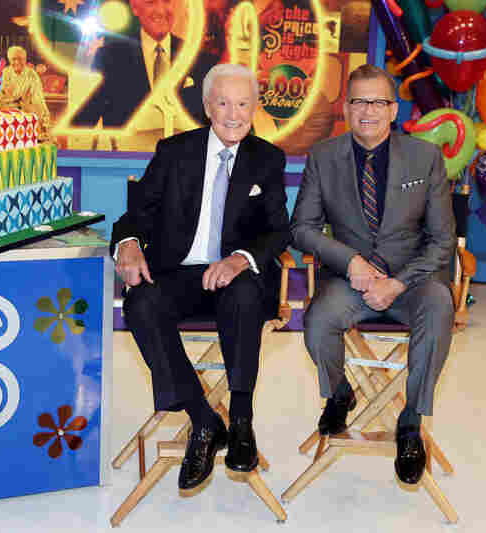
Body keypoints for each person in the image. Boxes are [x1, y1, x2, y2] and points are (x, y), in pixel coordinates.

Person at [111, 63, 290, 491]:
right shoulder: (174, 152)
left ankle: (242, 422)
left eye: (243, 103)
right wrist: (129, 244)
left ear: (256, 107)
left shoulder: (267, 159)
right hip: (179, 274)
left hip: (235, 278)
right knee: (141, 302)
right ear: (208, 107)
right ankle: (205, 420)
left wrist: (240, 259)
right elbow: (133, 218)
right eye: (224, 103)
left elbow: (279, 229)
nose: (234, 113)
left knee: (245, 295)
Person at [290, 64, 455, 485]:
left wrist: (398, 282)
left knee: (440, 306)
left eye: (378, 101)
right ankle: (340, 392)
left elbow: (441, 240)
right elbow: (302, 228)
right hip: (350, 281)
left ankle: (411, 424)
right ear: (346, 107)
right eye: (359, 101)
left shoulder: (426, 157)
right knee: (318, 320)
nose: (368, 110)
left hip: (412, 282)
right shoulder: (323, 158)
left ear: (393, 109)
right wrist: (351, 263)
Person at [72, 0, 217, 128]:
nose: (161, 11)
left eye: (167, 1)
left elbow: (214, 127)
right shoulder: (109, 57)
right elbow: (83, 123)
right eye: (151, 2)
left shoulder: (199, 60)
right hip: (129, 157)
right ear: (135, 7)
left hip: (183, 157)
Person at [0, 45, 53, 141]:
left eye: (20, 59)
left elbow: (38, 99)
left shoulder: (32, 75)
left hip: (25, 110)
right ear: (9, 60)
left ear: (25, 60)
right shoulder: (4, 73)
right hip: (5, 111)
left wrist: (45, 121)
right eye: (14, 59)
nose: (17, 62)